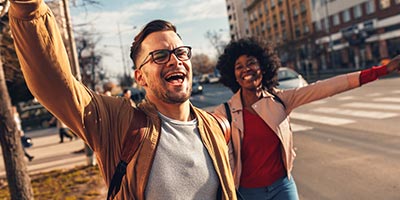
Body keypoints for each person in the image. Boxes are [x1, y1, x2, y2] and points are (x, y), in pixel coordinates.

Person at [9, 1, 236, 199]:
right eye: (160, 56)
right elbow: (56, 85)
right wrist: (29, 8)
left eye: (181, 53)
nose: (175, 61)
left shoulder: (215, 126)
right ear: (140, 77)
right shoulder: (119, 122)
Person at [213, 37, 400, 200]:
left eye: (252, 62)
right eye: (239, 67)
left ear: (263, 67)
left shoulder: (281, 100)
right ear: (234, 76)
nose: (247, 69)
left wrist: (382, 70)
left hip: (282, 187)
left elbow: (329, 87)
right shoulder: (225, 113)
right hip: (247, 194)